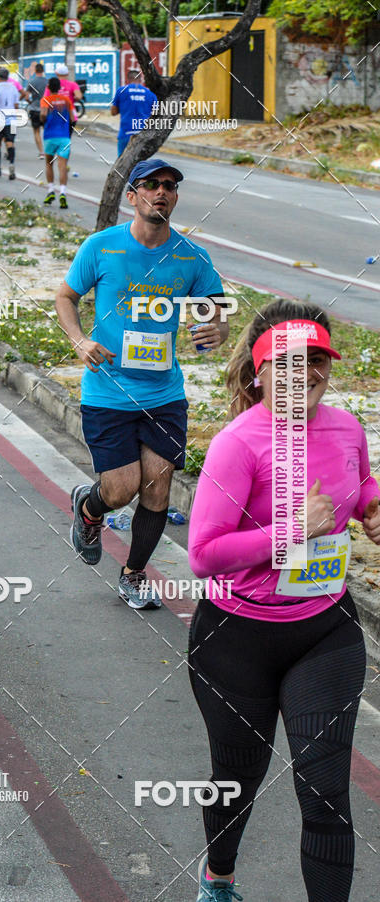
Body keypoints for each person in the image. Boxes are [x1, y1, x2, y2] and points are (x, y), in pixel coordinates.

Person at [187, 299, 380, 902]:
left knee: (325, 792)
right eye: (289, 361)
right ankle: (219, 876)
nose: (306, 373)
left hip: (323, 629)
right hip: (236, 638)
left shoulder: (346, 428)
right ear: (260, 371)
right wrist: (293, 531)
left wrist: (374, 507)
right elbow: (204, 554)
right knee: (236, 778)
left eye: (317, 360)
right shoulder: (238, 444)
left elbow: (360, 484)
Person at [56, 158, 227, 608]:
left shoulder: (191, 257)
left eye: (169, 185)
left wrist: (218, 329)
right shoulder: (101, 247)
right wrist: (80, 340)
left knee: (157, 484)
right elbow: (66, 296)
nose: (161, 191)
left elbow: (215, 310)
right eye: (151, 184)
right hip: (108, 390)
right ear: (132, 196)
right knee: (120, 489)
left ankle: (133, 575)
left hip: (163, 393)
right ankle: (89, 507)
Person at [40, 76, 73, 209]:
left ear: (48, 87)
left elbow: (43, 114)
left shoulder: (45, 100)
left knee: (49, 163)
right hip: (64, 137)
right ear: (59, 87)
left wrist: (44, 120)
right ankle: (63, 193)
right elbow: (73, 118)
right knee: (62, 166)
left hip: (49, 136)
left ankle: (51, 190)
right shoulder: (66, 100)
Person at [111, 68, 157, 157]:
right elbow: (156, 114)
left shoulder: (121, 91)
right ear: (141, 79)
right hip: (143, 134)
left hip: (126, 132)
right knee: (141, 161)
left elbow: (113, 112)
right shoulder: (150, 94)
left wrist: (125, 106)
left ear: (128, 79)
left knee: (122, 161)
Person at [0, 66, 20, 180]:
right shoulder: (13, 87)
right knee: (10, 143)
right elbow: (16, 105)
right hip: (11, 119)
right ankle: (11, 164)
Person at [44, 63, 82, 138]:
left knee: (56, 138)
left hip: (55, 114)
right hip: (70, 115)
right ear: (67, 74)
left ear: (56, 73)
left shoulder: (51, 85)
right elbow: (78, 96)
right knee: (67, 138)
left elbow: (46, 99)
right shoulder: (73, 84)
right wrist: (73, 98)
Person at [24, 62, 47, 157]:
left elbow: (26, 97)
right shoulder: (47, 82)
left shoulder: (32, 82)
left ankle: (41, 152)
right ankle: (49, 151)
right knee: (47, 131)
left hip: (35, 109)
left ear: (35, 71)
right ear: (43, 71)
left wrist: (31, 102)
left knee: (36, 131)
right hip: (46, 109)